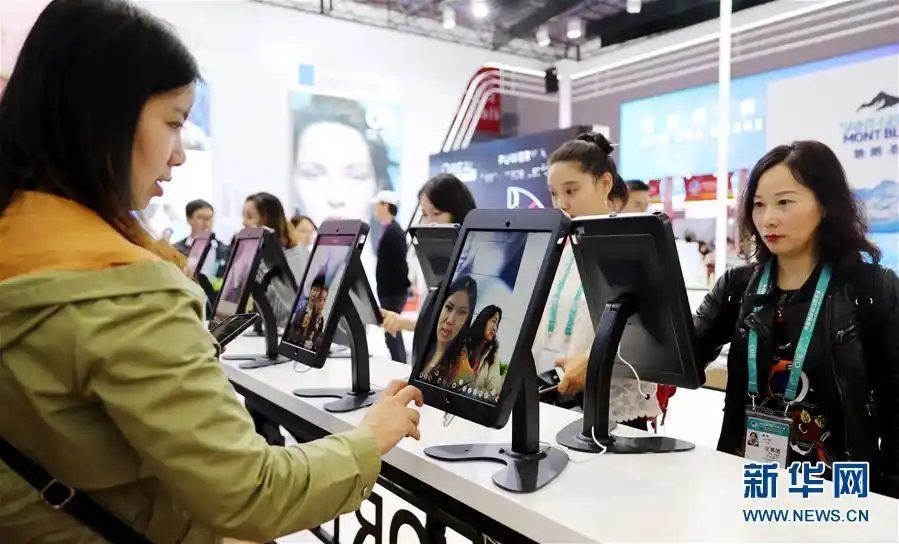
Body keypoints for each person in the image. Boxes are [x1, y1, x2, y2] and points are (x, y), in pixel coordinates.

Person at [0, 1, 424, 542]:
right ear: (102, 117)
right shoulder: (123, 291)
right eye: (173, 123)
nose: (178, 154)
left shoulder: (23, 240)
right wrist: (370, 438)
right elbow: (250, 491)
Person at [693, 141, 898, 496]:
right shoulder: (737, 287)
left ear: (825, 205)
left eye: (784, 202)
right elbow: (682, 356)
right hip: (748, 482)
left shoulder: (872, 290)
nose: (767, 218)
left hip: (839, 492)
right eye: (759, 204)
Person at [541, 133, 662, 428]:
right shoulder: (557, 246)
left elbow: (652, 333)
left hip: (611, 408)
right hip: (552, 398)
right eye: (554, 194)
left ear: (605, 183)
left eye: (571, 190)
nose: (561, 203)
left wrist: (593, 359)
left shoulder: (633, 246)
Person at [380, 173, 477, 337]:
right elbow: (434, 322)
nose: (429, 222)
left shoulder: (476, 258)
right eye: (424, 214)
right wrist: (401, 322)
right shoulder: (431, 258)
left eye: (436, 213)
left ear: (458, 213)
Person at [243, 192, 308, 326]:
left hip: (283, 329)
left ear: (269, 220)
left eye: (250, 217)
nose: (244, 222)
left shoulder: (295, 255)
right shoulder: (259, 255)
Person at [373, 190, 411, 363]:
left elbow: (400, 263)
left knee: (392, 330)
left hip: (393, 292)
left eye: (377, 205)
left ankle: (400, 366)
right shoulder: (389, 229)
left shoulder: (394, 231)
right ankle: (399, 364)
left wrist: (403, 285)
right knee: (391, 332)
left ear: (385, 205)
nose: (374, 209)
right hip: (388, 291)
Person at [420, 276, 478, 385]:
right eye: (448, 307)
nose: (450, 320)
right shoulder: (425, 345)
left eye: (461, 312)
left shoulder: (463, 373)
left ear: (467, 320)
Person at [175, 198, 230, 279]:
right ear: (188, 219)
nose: (206, 223)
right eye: (200, 218)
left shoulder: (226, 250)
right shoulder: (176, 250)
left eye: (209, 218)